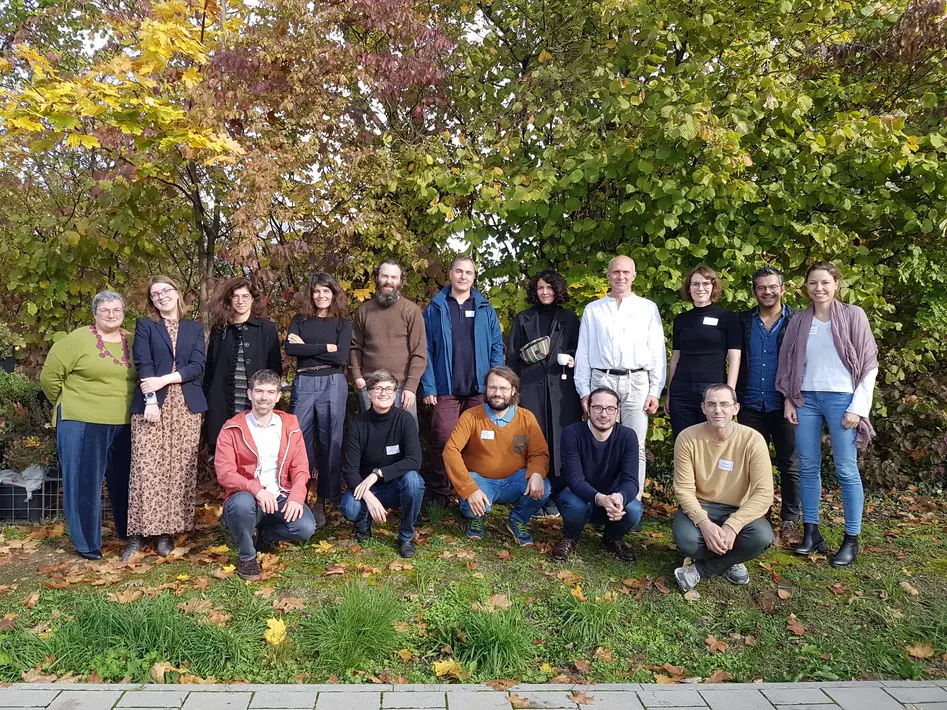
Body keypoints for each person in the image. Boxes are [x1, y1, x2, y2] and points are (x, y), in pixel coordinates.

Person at [776, 262, 878, 568]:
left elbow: (869, 363)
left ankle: (851, 539)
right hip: (805, 399)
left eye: (824, 282)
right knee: (807, 467)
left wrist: (858, 408)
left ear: (836, 284)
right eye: (812, 283)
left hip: (843, 400)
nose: (818, 288)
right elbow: (787, 362)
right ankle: (811, 532)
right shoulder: (798, 321)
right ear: (805, 287)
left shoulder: (854, 315)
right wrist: (789, 401)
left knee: (846, 469)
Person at [40, 290, 137, 560]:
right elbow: (50, 378)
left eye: (117, 310)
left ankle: (127, 532)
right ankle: (88, 543)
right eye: (105, 310)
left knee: (125, 481)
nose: (111, 314)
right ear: (94, 313)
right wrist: (68, 402)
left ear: (124, 312)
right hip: (82, 420)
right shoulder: (76, 341)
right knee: (84, 482)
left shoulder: (131, 340)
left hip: (125, 422)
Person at [124, 276, 207, 559]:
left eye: (166, 290)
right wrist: (151, 397)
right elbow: (143, 362)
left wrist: (165, 380)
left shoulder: (195, 328)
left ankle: (165, 534)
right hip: (152, 404)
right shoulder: (146, 326)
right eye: (155, 294)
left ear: (177, 293)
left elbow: (197, 366)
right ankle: (136, 534)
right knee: (146, 469)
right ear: (151, 301)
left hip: (186, 407)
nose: (161, 296)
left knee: (177, 469)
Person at [574, 255, 665, 502]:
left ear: (634, 276)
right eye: (616, 272)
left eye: (626, 272)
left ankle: (630, 504)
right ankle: (596, 499)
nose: (621, 277)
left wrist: (655, 389)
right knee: (598, 441)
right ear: (608, 275)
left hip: (637, 380)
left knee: (636, 445)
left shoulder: (647, 308)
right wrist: (584, 390)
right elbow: (583, 351)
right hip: (601, 380)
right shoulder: (593, 310)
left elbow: (657, 350)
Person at [672, 384, 775, 592]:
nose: (717, 410)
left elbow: (764, 493)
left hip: (737, 509)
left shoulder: (753, 440)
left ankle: (701, 569)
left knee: (762, 537)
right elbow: (683, 489)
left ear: (736, 408)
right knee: (688, 541)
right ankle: (731, 556)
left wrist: (733, 525)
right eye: (711, 404)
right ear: (703, 408)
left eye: (724, 404)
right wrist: (704, 523)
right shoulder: (687, 437)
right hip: (701, 506)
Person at [216, 369, 316, 581]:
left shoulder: (290, 426)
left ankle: (265, 536)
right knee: (242, 505)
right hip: (247, 497)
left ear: (278, 396)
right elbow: (225, 473)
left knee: (305, 527)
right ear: (250, 394)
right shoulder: (232, 428)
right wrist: (257, 489)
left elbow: (301, 468)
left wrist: (297, 498)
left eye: (271, 392)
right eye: (259, 391)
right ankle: (247, 556)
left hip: (280, 495)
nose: (264, 397)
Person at [420, 256, 504, 506]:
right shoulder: (436, 308)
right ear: (451, 273)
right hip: (445, 388)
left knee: (477, 443)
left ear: (474, 277)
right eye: (459, 271)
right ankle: (441, 492)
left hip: (478, 389)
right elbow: (425, 350)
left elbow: (497, 346)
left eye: (469, 272)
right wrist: (429, 386)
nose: (463, 276)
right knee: (443, 440)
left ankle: (471, 492)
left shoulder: (485, 307)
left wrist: (494, 383)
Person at [443, 366, 550, 546]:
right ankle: (476, 516)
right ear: (486, 389)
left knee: (544, 488)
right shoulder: (471, 416)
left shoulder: (526, 418)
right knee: (472, 506)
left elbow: (538, 452)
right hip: (481, 482)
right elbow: (450, 451)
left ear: (513, 390)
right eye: (492, 388)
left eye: (503, 388)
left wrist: (537, 473)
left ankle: (517, 520)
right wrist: (468, 488)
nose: (497, 393)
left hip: (515, 481)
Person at [507, 269, 582, 517]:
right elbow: (512, 358)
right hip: (529, 388)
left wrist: (572, 359)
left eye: (549, 288)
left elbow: (580, 350)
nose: (545, 292)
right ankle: (524, 489)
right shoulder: (522, 318)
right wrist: (513, 392)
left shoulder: (570, 319)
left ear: (558, 290)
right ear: (534, 291)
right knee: (525, 438)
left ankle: (558, 493)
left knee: (561, 439)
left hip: (562, 390)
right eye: (540, 288)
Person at [737, 266, 801, 544]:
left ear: (782, 289)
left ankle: (790, 520)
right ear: (754, 291)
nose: (767, 291)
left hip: (785, 403)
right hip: (750, 402)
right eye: (761, 287)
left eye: (772, 286)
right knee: (752, 465)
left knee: (790, 464)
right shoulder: (743, 321)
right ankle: (757, 516)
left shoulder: (797, 321)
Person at [285, 272, 352, 528]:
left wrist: (309, 347)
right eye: (317, 291)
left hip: (333, 383)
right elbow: (292, 349)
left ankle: (324, 499)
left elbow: (341, 357)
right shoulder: (299, 320)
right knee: (298, 439)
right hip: (304, 382)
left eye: (327, 291)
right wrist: (327, 347)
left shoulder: (342, 324)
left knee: (330, 441)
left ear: (334, 294)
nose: (321, 296)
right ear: (310, 294)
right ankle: (299, 495)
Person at [550, 387, 643, 563]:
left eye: (610, 409)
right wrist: (600, 498)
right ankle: (571, 537)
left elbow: (631, 480)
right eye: (598, 408)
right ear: (588, 408)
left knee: (634, 510)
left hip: (611, 496)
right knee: (574, 506)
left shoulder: (627, 436)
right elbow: (574, 479)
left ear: (618, 412)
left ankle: (612, 538)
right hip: (578, 495)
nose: (603, 414)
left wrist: (620, 497)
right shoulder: (572, 433)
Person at [340, 370, 425, 558]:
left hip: (396, 486)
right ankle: (363, 526)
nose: (383, 393)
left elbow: (414, 461)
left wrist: (377, 473)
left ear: (395, 394)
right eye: (377, 388)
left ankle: (405, 536)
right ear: (369, 394)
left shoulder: (404, 420)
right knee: (350, 508)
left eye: (388, 388)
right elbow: (350, 469)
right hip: (367, 488)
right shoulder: (358, 424)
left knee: (414, 481)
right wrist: (369, 497)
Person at [203, 277, 282, 455]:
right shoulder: (220, 329)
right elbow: (210, 367)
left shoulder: (266, 328)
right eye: (236, 296)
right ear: (229, 300)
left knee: (253, 448)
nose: (240, 301)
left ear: (253, 299)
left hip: (254, 399)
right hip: (223, 399)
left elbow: (274, 367)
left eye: (245, 297)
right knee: (226, 450)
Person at [665, 266, 741, 439]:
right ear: (689, 288)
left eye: (706, 283)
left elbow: (735, 358)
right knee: (683, 442)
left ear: (713, 286)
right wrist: (670, 392)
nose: (700, 288)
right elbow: (675, 358)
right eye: (695, 284)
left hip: (713, 390)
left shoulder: (728, 318)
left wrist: (729, 393)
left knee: (713, 442)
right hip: (681, 391)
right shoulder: (681, 320)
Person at [350, 260, 426, 420]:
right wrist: (358, 377)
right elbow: (355, 347)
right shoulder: (364, 310)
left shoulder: (411, 310)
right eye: (384, 276)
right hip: (371, 388)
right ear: (377, 278)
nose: (389, 281)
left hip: (402, 388)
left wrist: (411, 387)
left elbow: (419, 353)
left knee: (406, 439)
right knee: (371, 438)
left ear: (400, 282)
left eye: (394, 277)